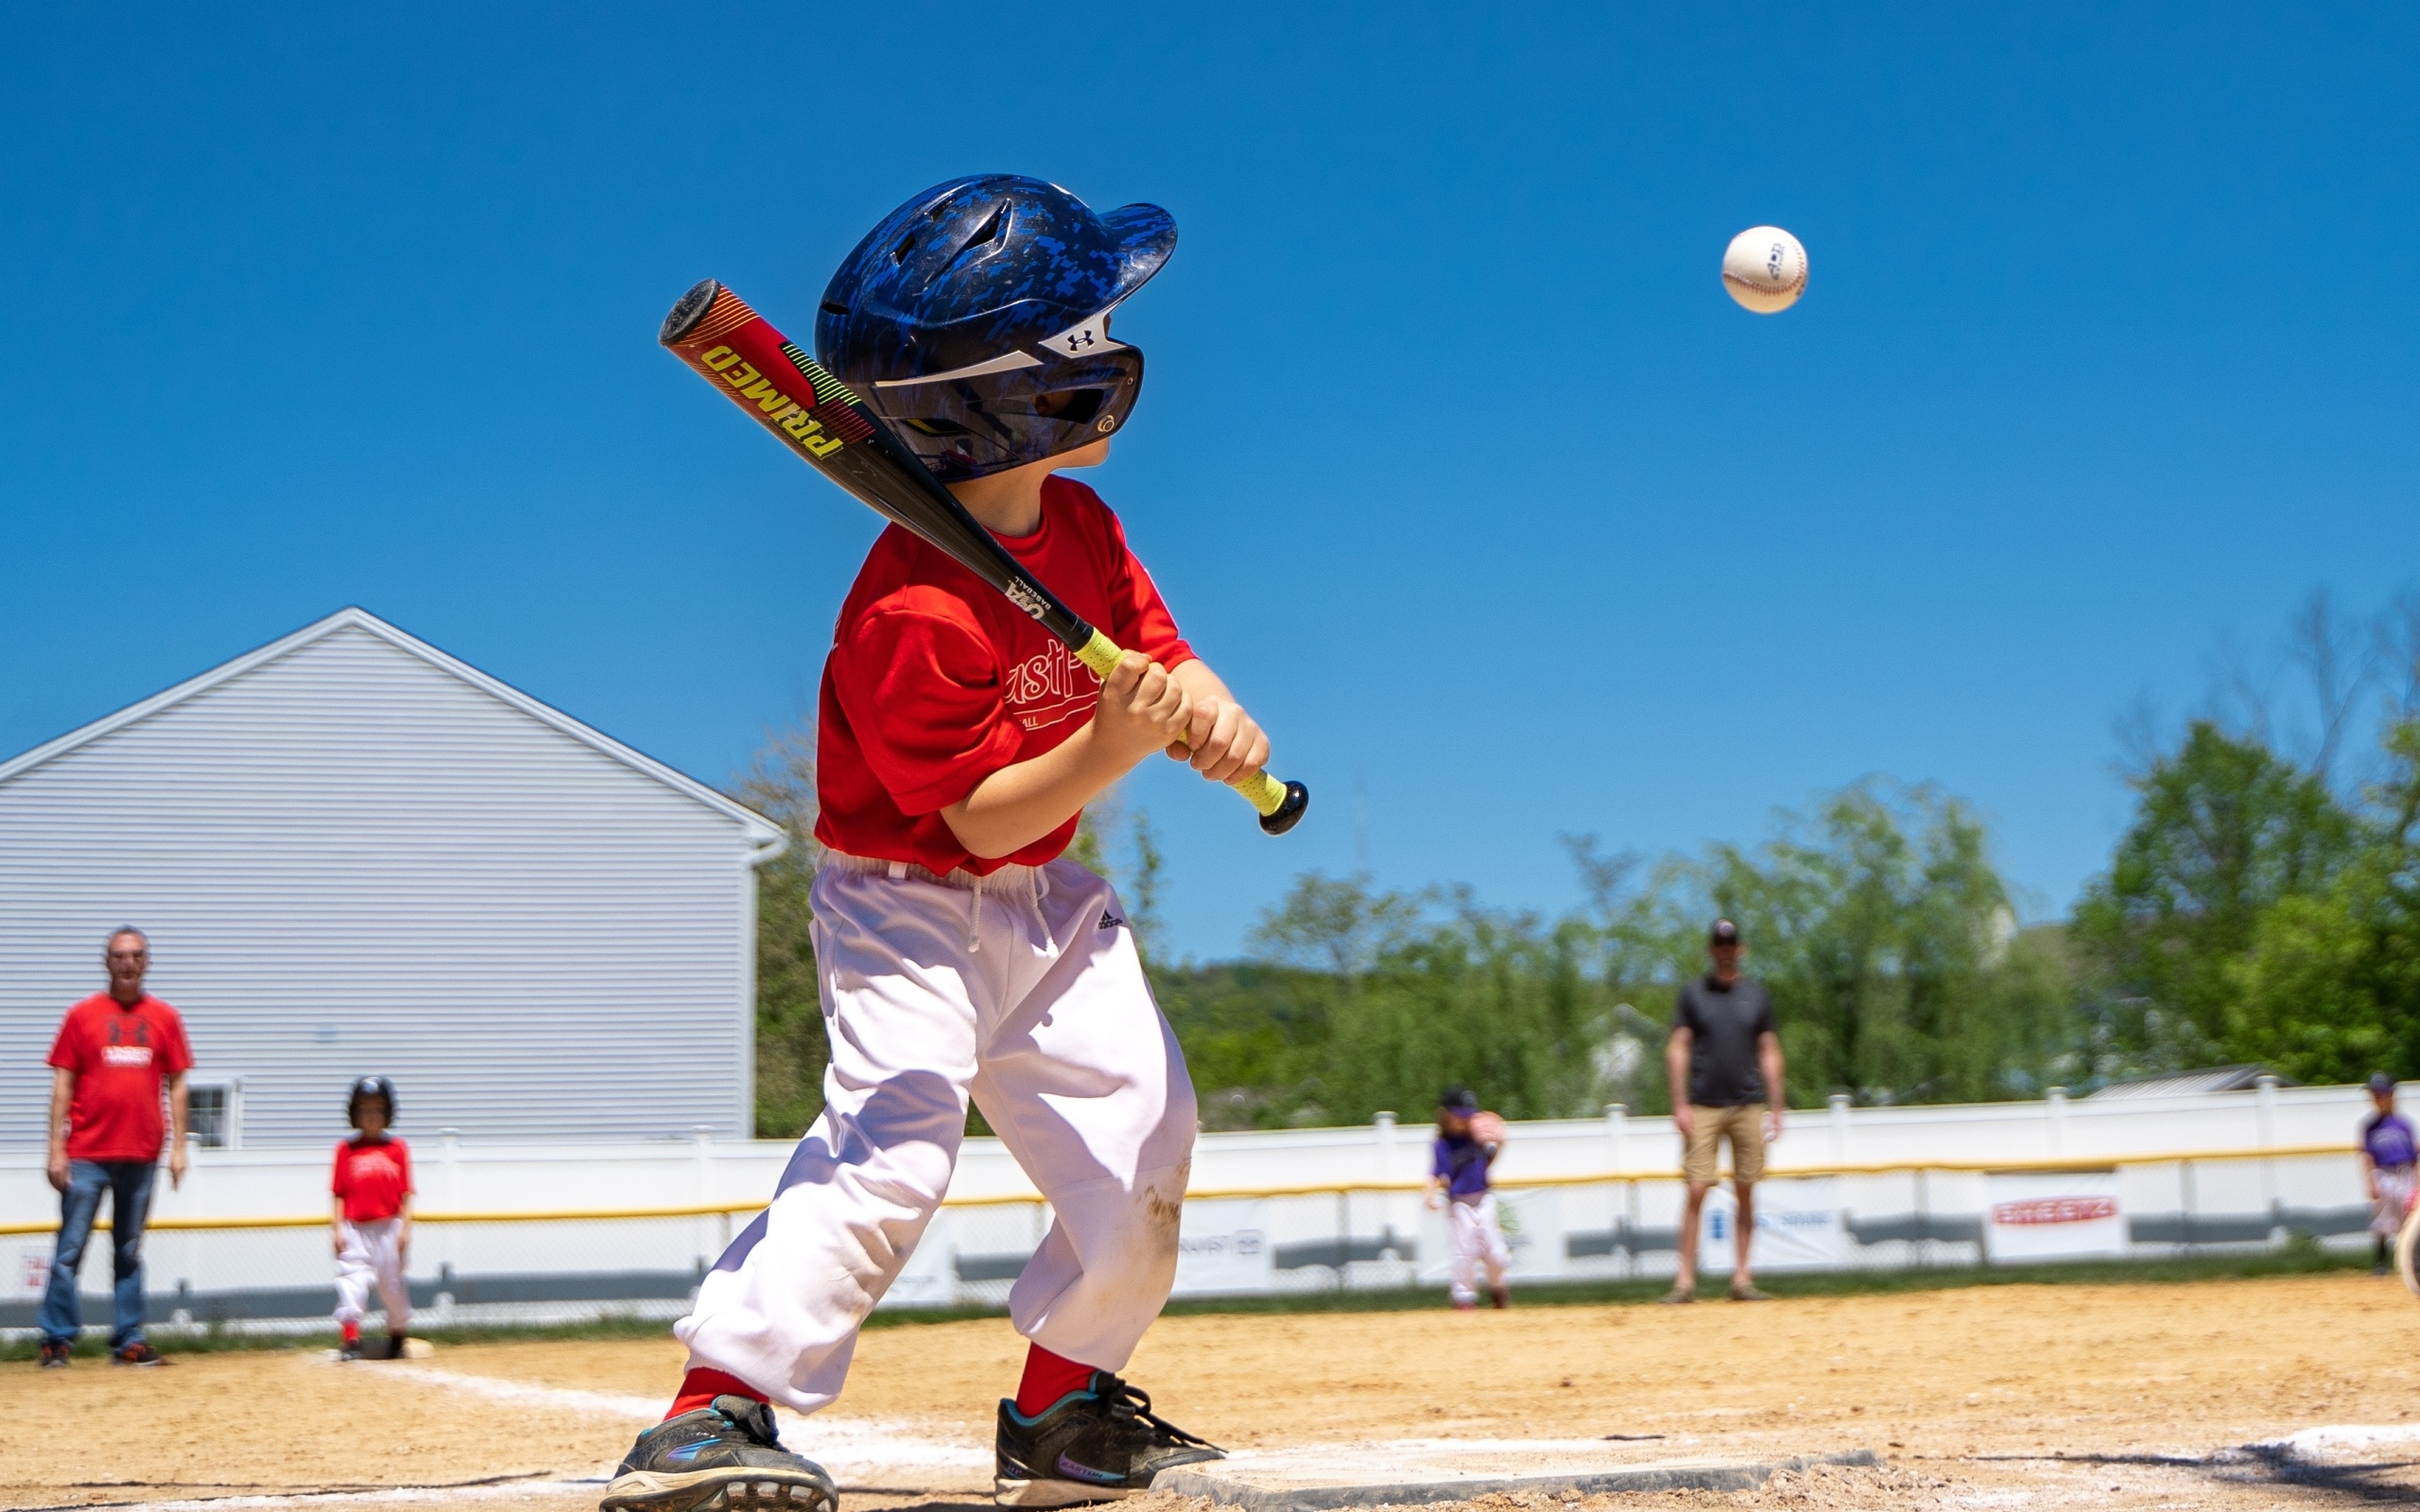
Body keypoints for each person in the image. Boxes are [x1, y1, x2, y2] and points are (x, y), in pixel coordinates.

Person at [602, 176, 1264, 1512]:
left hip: (1048, 906)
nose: (1112, 341)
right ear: (1018, 393)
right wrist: (1120, 746)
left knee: (1148, 1136)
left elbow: (1153, 649)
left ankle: (1065, 1403)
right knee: (896, 1145)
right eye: (1082, 331)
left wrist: (1206, 706)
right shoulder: (911, 608)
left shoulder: (1080, 526)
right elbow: (979, 814)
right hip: (903, 907)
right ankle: (712, 1409)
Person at [38, 927, 192, 1368]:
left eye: (136, 955)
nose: (128, 963)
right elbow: (63, 1082)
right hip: (86, 1153)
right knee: (69, 1250)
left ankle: (128, 1338)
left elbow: (178, 1083)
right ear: (106, 962)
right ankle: (57, 1339)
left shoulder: (166, 1018)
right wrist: (55, 1149)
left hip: (141, 1155)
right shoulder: (81, 1016)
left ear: (147, 962)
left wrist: (179, 1147)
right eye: (119, 956)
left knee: (128, 1250)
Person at [1664, 919, 1785, 1305]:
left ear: (1741, 949)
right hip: (1703, 1104)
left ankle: (1742, 1278)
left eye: (1731, 944)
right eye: (1719, 944)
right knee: (1697, 1189)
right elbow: (1678, 1047)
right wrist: (1679, 1103)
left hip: (1748, 1103)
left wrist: (1777, 1107)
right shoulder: (1693, 994)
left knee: (1746, 1190)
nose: (1725, 951)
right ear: (1710, 950)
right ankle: (1684, 1281)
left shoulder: (1756, 996)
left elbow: (1768, 1051)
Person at [332, 1075, 414, 1360]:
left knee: (390, 1283)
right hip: (354, 1227)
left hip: (389, 1225)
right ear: (354, 1113)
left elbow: (406, 1194)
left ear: (388, 1113)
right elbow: (339, 1193)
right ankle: (351, 1338)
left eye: (378, 1109)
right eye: (364, 1109)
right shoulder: (346, 1150)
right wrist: (337, 1228)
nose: (371, 1115)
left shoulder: (397, 1149)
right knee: (351, 1279)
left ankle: (397, 1334)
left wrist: (405, 1229)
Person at [1426, 1088, 1511, 1311]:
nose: (1464, 1119)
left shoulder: (1476, 1137)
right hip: (1460, 1202)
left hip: (1484, 1198)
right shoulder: (1442, 1144)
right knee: (1465, 1251)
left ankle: (1498, 1288)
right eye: (1459, 1114)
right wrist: (1430, 1194)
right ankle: (1463, 1298)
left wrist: (1500, 1143)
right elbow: (1435, 1173)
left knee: (1496, 1252)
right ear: (1446, 1114)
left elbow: (1488, 1162)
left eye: (1467, 1114)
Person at [2360, 1073, 2416, 1276]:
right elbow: (2367, 1156)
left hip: (2404, 1174)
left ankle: (2409, 1262)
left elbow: (2414, 1157)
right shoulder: (2369, 1127)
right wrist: (2370, 1181)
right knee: (2382, 1222)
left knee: (2408, 1220)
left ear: (2392, 1095)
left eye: (2380, 1093)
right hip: (2382, 1174)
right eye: (2374, 1094)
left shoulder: (2404, 1125)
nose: (2376, 1098)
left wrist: (2417, 1181)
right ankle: (2381, 1264)